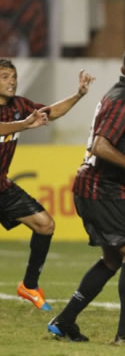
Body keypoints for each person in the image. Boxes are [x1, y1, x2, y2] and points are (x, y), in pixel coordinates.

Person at [47, 45, 125, 344]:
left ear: (122, 70)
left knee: (113, 259)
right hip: (102, 188)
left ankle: (64, 321)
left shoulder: (122, 95)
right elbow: (100, 146)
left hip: (96, 186)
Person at [0, 58, 93, 311]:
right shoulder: (20, 117)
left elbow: (51, 112)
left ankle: (29, 286)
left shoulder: (20, 105)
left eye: (13, 76)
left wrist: (78, 95)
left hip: (2, 188)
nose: (12, 81)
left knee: (45, 225)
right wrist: (24, 124)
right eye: (5, 77)